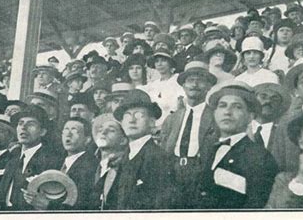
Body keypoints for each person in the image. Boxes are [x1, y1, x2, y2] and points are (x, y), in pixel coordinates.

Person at [196, 81, 279, 209]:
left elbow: (257, 206)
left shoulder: (260, 157)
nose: (227, 112)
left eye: (237, 107)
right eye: (222, 105)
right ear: (215, 113)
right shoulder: (209, 148)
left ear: (250, 116)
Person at [160, 61, 219, 208]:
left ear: (209, 87)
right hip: (173, 172)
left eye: (201, 80)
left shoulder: (215, 117)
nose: (195, 84)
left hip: (201, 174)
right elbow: (163, 149)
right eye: (190, 80)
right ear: (183, 85)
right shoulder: (172, 119)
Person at [111, 89, 178, 209]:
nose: (132, 120)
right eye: (127, 116)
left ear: (152, 122)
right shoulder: (124, 157)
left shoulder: (159, 157)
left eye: (139, 115)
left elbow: (161, 205)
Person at [0, 105, 62, 211]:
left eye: (31, 124)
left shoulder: (52, 161)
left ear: (42, 132)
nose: (23, 127)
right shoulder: (12, 160)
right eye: (20, 123)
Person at [23, 117, 100, 210]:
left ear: (87, 140)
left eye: (74, 130)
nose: (68, 134)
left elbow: (83, 206)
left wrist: (49, 206)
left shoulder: (92, 165)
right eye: (66, 130)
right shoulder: (56, 163)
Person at [91, 114, 130, 210]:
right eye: (100, 130)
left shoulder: (125, 167)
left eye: (111, 130)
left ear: (123, 140)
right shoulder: (92, 167)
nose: (103, 132)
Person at [139, 48, 185, 126]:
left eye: (163, 60)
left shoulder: (178, 80)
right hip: (155, 125)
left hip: (174, 123)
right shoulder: (154, 84)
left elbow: (180, 107)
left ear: (170, 63)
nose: (159, 64)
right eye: (157, 61)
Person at [250, 82, 292, 159]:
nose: (268, 101)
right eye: (263, 97)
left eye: (274, 99)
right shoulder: (241, 128)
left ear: (280, 106)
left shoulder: (283, 133)